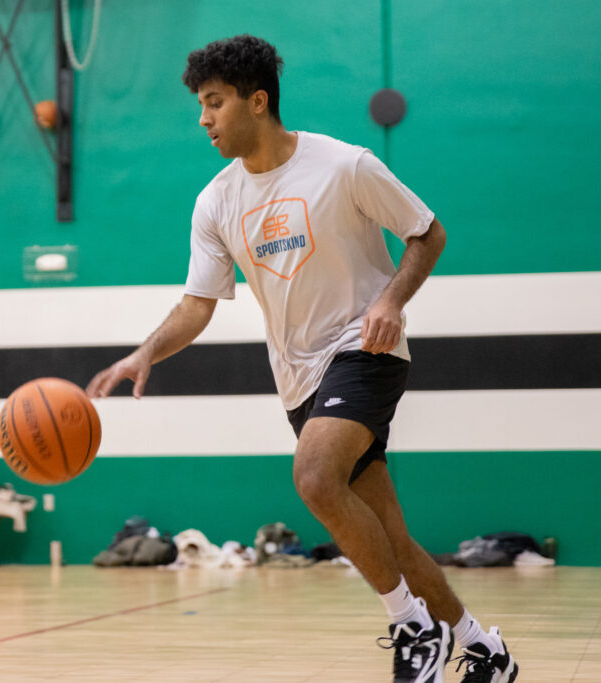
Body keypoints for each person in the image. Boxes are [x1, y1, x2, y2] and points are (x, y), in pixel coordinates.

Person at [87, 35, 518, 683]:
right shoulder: (216, 201)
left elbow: (427, 233)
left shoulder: (344, 166)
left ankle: (412, 625)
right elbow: (198, 304)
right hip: (298, 379)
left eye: (214, 102)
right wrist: (145, 352)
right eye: (200, 105)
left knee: (314, 477)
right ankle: (484, 647)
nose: (203, 118)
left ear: (258, 101)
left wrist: (391, 301)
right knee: (389, 538)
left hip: (365, 349)